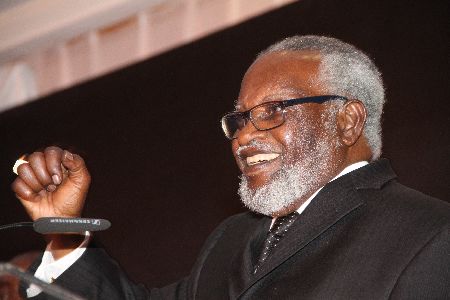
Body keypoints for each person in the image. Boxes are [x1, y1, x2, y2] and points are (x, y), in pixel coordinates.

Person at [12, 36, 449, 299]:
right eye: (240, 118)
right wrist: (63, 228)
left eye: (273, 109)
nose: (242, 136)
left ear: (347, 120)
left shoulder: (429, 236)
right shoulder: (233, 239)